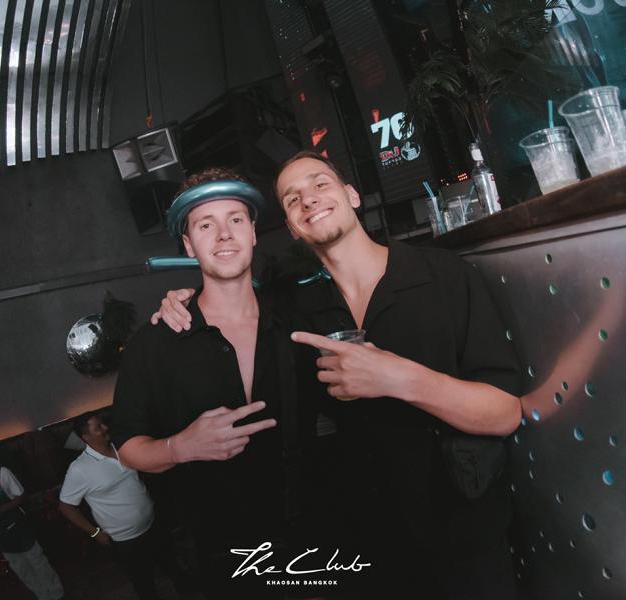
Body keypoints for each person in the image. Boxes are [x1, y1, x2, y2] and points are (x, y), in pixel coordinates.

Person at [155, 151, 523, 599]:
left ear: (351, 195)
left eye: (320, 184)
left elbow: (504, 413)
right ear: (292, 228)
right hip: (368, 547)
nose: (308, 199)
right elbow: (230, 297)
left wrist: (397, 377)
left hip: (465, 542)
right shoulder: (298, 310)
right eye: (293, 198)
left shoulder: (443, 275)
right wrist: (184, 301)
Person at [113, 168, 303, 599]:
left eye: (235, 219)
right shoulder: (155, 343)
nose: (223, 235)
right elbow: (126, 446)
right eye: (205, 225)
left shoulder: (297, 319)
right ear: (188, 245)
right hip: (219, 559)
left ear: (253, 231)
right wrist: (179, 447)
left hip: (308, 540)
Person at [58, 412, 160, 600]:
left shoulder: (121, 446)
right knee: (144, 582)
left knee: (167, 562)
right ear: (86, 437)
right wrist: (95, 533)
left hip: (152, 521)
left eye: (103, 423)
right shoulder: (79, 469)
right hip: (125, 540)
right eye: (98, 427)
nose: (106, 428)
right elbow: (66, 506)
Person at [0, 435, 63, 600]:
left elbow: (21, 496)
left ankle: (57, 595)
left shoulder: (1, 472)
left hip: (17, 525)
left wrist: (0, 510)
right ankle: (43, 596)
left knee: (37, 561)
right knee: (20, 568)